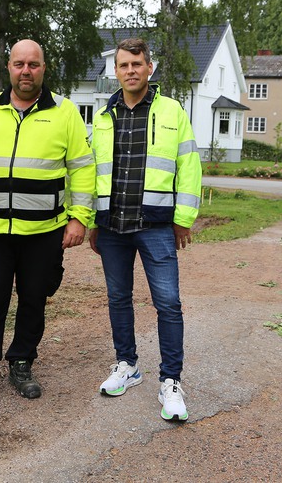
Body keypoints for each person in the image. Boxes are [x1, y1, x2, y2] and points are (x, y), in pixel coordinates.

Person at [0, 39, 95, 406]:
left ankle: (21, 362)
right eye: (19, 64)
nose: (26, 71)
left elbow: (81, 168)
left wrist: (79, 218)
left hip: (44, 232)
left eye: (33, 64)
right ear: (9, 67)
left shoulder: (64, 113)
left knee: (34, 299)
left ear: (44, 68)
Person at [88, 37, 201, 422]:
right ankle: (127, 366)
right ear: (115, 71)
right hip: (113, 225)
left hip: (155, 226)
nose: (131, 70)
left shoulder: (172, 112)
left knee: (167, 303)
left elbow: (189, 165)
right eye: (124, 65)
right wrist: (91, 221)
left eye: (137, 63)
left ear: (149, 68)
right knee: (118, 298)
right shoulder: (103, 116)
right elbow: (91, 172)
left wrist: (183, 217)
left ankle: (171, 381)